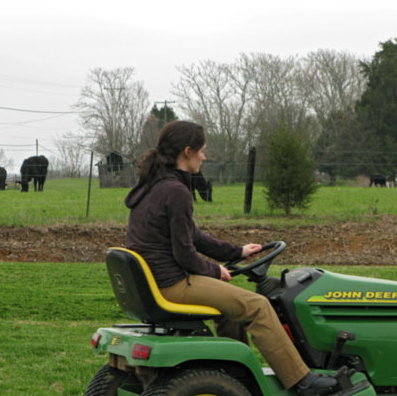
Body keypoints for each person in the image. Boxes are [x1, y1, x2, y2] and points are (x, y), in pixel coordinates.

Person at [125, 120, 337, 396]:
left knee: (233, 309)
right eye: (202, 150)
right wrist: (215, 271)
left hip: (154, 281)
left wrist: (237, 252)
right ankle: (302, 380)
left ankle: (234, 376)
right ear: (187, 151)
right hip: (171, 283)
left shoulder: (154, 185)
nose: (204, 156)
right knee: (258, 306)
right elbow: (185, 253)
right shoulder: (176, 191)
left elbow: (194, 237)